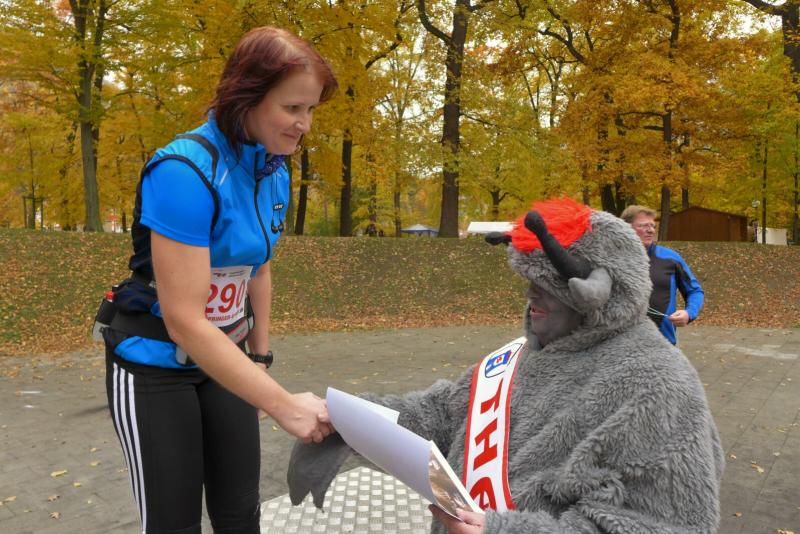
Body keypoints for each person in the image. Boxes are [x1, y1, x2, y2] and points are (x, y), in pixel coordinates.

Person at [288, 198, 724, 533]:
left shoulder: (659, 384)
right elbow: (445, 413)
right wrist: (350, 416)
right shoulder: (525, 354)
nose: (531, 296)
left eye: (548, 285)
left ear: (598, 296)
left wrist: (502, 530)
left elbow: (663, 525)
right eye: (529, 281)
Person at [99, 27, 337, 534]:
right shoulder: (184, 171)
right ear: (247, 96)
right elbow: (185, 321)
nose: (305, 124)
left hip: (225, 358)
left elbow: (258, 267)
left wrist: (259, 361)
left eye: (311, 109)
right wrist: (282, 405)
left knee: (240, 515)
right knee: (175, 524)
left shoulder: (274, 170)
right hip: (155, 365)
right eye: (293, 108)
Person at [620, 205, 704, 344]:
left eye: (653, 226)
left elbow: (695, 291)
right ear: (625, 228)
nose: (651, 230)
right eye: (644, 226)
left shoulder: (670, 258)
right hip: (620, 345)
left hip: (663, 344)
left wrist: (689, 313)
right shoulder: (612, 260)